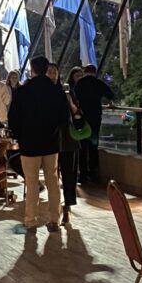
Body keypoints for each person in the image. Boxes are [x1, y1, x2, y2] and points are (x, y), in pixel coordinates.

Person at [8, 56, 70, 233]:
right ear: (46, 69)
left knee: (32, 182)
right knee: (52, 181)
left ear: (32, 69)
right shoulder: (56, 91)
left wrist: (20, 136)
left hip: (29, 143)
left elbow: (14, 118)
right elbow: (63, 118)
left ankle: (30, 221)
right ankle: (54, 219)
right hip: (50, 144)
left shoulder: (23, 91)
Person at [73, 64, 115, 183]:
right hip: (95, 118)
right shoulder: (98, 83)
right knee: (93, 146)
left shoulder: (79, 83)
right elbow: (111, 94)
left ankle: (82, 174)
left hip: (82, 118)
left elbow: (75, 98)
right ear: (95, 72)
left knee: (82, 146)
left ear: (85, 72)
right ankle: (93, 173)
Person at [59, 65, 85, 225]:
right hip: (55, 141)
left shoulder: (70, 95)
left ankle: (67, 208)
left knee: (69, 175)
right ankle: (58, 207)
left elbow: (78, 116)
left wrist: (70, 102)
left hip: (69, 140)